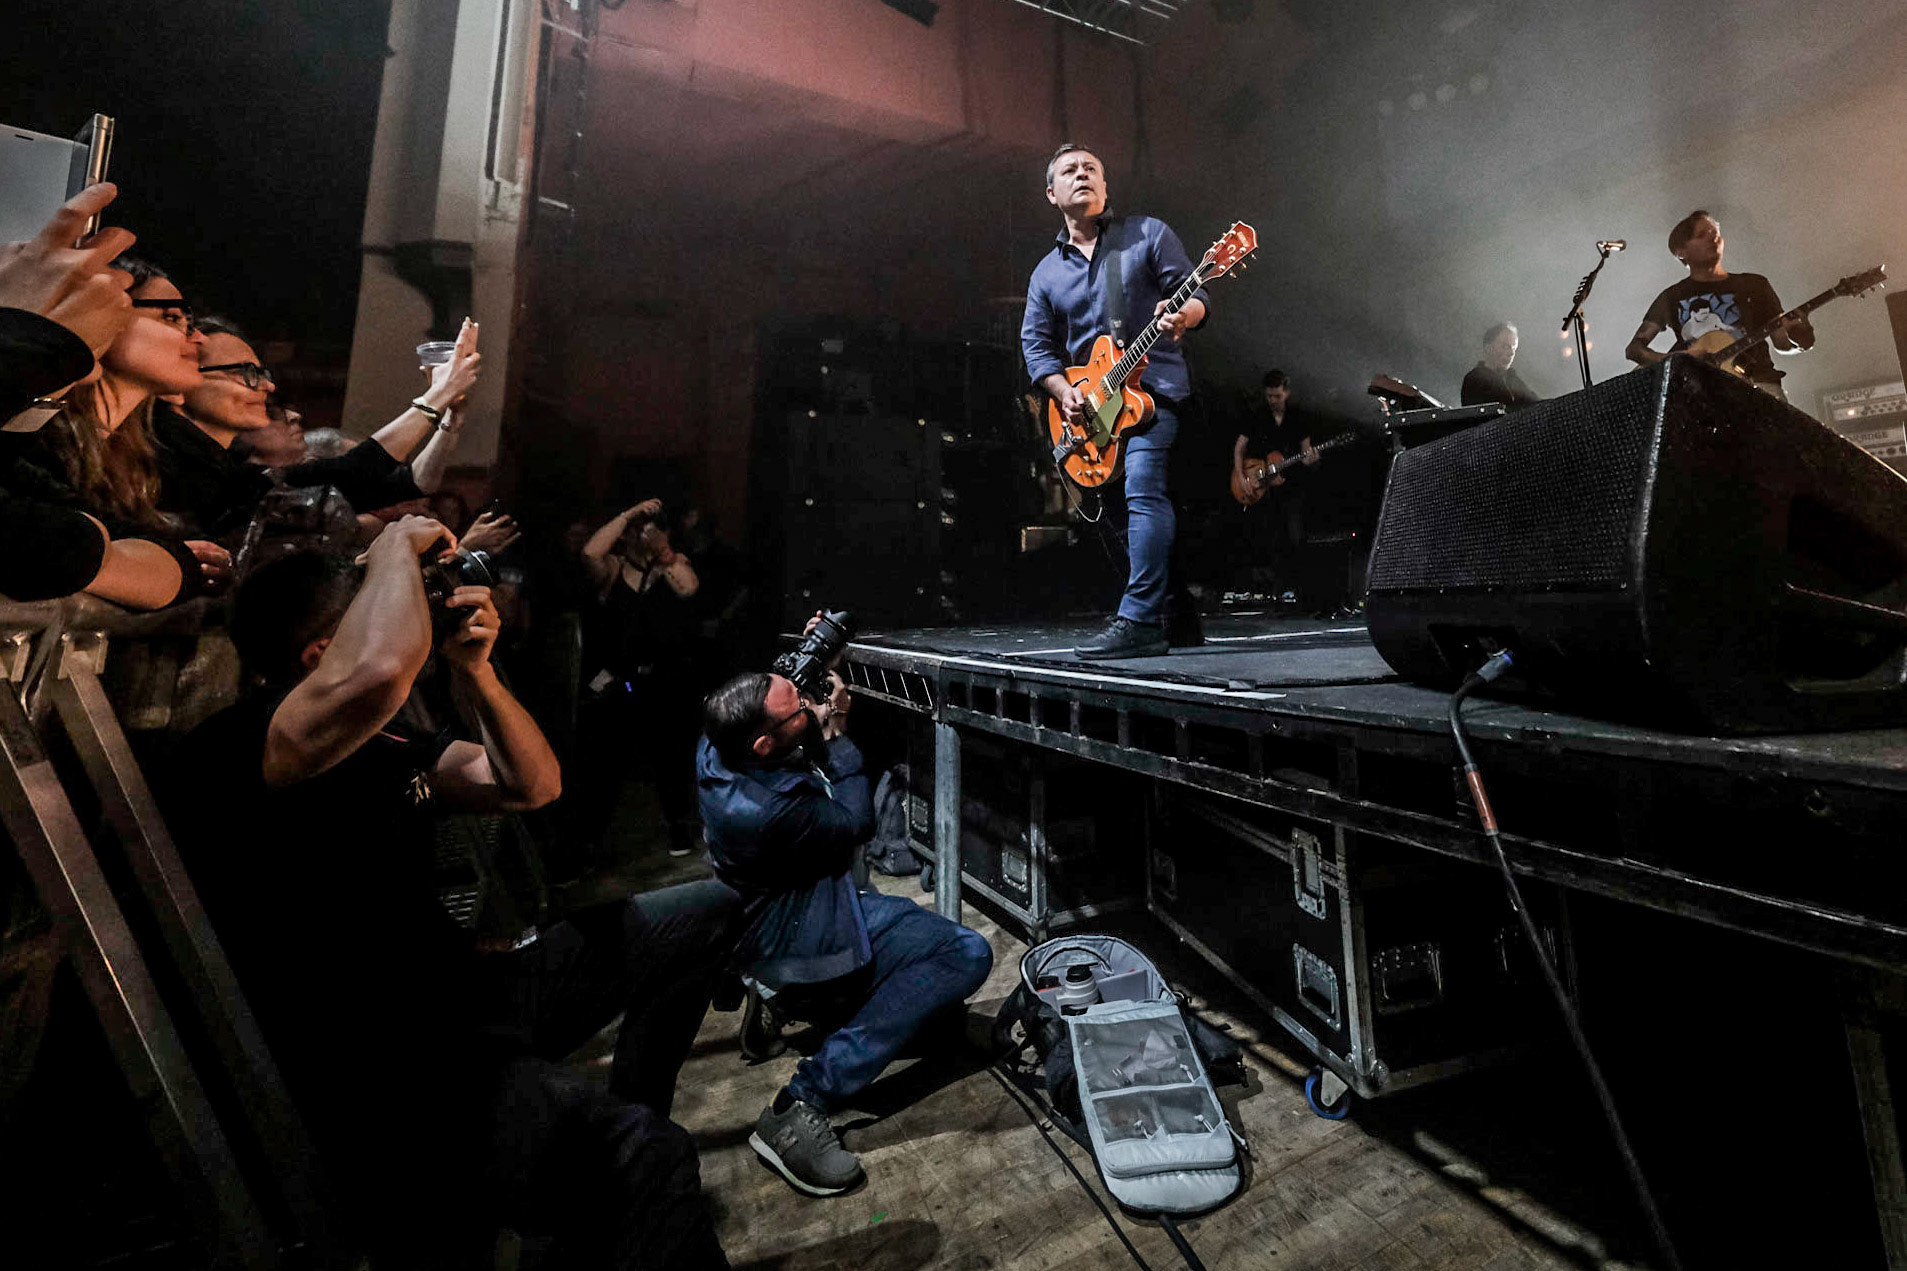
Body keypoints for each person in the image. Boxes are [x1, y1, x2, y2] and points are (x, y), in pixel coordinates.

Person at [176, 518, 738, 1267]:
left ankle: (604, 1153)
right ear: (321, 653)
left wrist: (477, 674)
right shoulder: (241, 746)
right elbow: (379, 669)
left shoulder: (379, 741)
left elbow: (531, 784)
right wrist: (390, 549)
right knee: (645, 1154)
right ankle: (604, 1169)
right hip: (404, 1062)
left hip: (475, 990)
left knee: (702, 913)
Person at [698, 664, 993, 1197]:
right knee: (964, 954)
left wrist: (808, 662)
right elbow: (858, 823)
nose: (808, 704)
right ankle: (800, 1103)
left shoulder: (716, 745)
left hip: (767, 921)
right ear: (764, 743)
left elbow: (766, 700)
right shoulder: (768, 811)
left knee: (934, 1015)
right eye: (798, 706)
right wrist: (836, 733)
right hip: (806, 937)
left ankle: (782, 999)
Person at [1021, 143, 1209, 659]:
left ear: (1105, 186)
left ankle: (1139, 621)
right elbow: (1036, 348)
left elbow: (1196, 294)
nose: (1082, 174)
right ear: (1051, 193)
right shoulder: (1045, 274)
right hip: (1090, 411)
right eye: (1069, 170)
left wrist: (1183, 316)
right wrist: (1065, 392)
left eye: (1091, 168)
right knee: (1121, 519)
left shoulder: (1148, 234)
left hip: (1152, 392)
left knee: (1144, 491)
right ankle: (1176, 616)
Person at [0, 183, 191, 607]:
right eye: (172, 317)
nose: (196, 339)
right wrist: (27, 339)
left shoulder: (138, 451)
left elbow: (176, 563)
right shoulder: (41, 437)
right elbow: (55, 545)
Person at [155, 316, 480, 539]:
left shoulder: (231, 471)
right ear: (181, 380)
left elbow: (412, 483)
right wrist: (438, 394)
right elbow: (356, 467)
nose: (267, 387)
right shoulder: (174, 467)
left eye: (261, 373)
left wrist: (451, 416)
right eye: (244, 373)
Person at [578, 499, 704, 856]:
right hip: (621, 679)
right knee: (606, 762)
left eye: (654, 529)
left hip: (665, 679)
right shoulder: (614, 568)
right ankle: (588, 840)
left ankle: (678, 827)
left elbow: (689, 588)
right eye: (640, 530)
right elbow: (589, 553)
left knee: (671, 759)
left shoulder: (673, 564)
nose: (646, 535)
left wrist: (663, 551)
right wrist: (629, 514)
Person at [1625, 209, 1813, 400]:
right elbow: (1634, 350)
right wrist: (1678, 359)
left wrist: (1802, 337)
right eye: (1701, 235)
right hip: (1700, 393)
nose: (1713, 238)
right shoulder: (1671, 297)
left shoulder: (1755, 285)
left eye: (1715, 233)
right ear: (1681, 252)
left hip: (1758, 384)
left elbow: (1782, 343)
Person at [1233, 370, 1363, 615]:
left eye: (1277, 396)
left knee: (1295, 539)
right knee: (1269, 539)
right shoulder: (1257, 416)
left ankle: (1301, 596)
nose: (1273, 400)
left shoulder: (1298, 418)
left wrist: (1312, 460)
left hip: (1292, 489)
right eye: (1269, 396)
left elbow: (1307, 454)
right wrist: (1241, 477)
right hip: (1264, 488)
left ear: (1287, 393)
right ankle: (1276, 595)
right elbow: (1239, 447)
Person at [1460, 322, 1541, 408]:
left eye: (1514, 349)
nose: (1511, 353)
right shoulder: (1474, 379)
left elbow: (1537, 404)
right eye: (1506, 347)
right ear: (1488, 348)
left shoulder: (1513, 379)